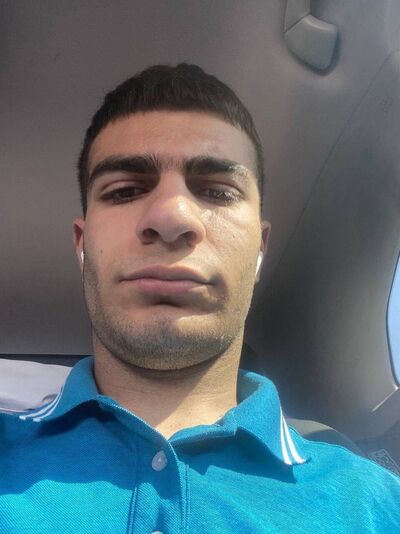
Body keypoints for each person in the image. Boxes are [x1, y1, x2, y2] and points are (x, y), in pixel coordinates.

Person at [1, 63, 399, 533]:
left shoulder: (378, 505)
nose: (172, 217)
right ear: (82, 244)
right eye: (125, 190)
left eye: (216, 191)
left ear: (259, 251)